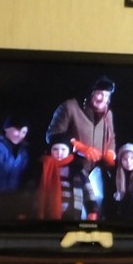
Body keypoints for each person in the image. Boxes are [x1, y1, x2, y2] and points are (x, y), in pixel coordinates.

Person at [46, 76, 117, 214]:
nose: (103, 99)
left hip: (96, 171)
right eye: (99, 93)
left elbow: (111, 137)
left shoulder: (108, 114)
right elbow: (53, 134)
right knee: (73, 210)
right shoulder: (70, 107)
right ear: (91, 92)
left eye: (107, 95)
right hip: (73, 170)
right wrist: (78, 147)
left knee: (95, 209)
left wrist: (110, 152)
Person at [36, 134, 97, 220]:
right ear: (50, 150)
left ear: (69, 150)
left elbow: (88, 191)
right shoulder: (43, 167)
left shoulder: (77, 169)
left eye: (63, 149)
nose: (59, 153)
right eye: (55, 149)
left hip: (72, 213)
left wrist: (92, 210)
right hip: (47, 215)